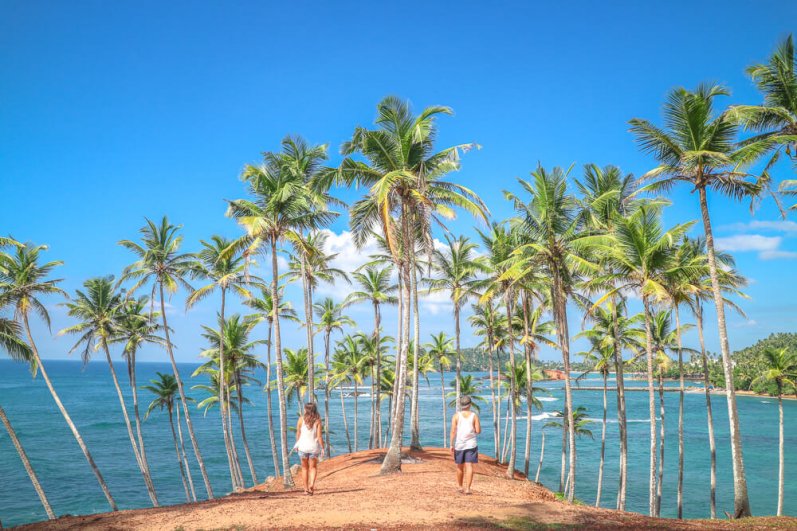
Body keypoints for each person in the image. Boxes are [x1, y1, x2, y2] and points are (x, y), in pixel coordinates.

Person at [450, 395, 481, 494]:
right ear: (470, 404)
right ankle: (468, 489)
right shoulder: (474, 415)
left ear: (460, 405)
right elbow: (478, 430)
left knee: (459, 466)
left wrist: (451, 445)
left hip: (459, 444)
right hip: (471, 444)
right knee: (469, 466)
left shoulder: (456, 416)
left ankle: (460, 487)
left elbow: (453, 431)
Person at [294, 402, 325, 495]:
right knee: (313, 467)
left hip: (303, 447)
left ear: (306, 410)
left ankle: (305, 489)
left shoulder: (300, 420)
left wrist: (297, 444)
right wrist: (322, 447)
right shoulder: (318, 421)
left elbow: (298, 434)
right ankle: (311, 485)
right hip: (314, 448)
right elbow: (319, 436)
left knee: (304, 468)